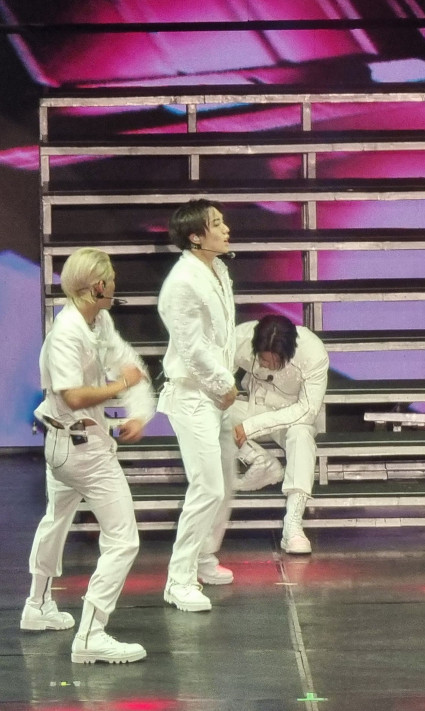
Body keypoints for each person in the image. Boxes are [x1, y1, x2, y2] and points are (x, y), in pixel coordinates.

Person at [24, 247, 153, 664]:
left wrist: (137, 410)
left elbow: (124, 361)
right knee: (123, 540)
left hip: (66, 443)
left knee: (56, 519)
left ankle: (37, 605)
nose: (115, 284)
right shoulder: (67, 332)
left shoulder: (98, 321)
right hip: (81, 449)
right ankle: (91, 635)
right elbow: (75, 396)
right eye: (111, 279)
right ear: (98, 286)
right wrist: (121, 386)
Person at [157, 199, 237, 612]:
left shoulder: (217, 269)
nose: (225, 229)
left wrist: (225, 384)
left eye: (222, 222)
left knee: (223, 484)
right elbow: (191, 347)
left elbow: (220, 336)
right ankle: (179, 579)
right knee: (206, 487)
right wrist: (223, 383)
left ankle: (203, 557)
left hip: (215, 394)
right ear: (194, 236)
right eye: (216, 224)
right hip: (192, 394)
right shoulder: (183, 281)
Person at [230, 315, 329, 554]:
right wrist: (224, 389)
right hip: (253, 405)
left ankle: (293, 526)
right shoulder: (240, 337)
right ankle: (261, 461)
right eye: (263, 359)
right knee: (206, 411)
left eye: (275, 361)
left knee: (302, 436)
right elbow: (215, 377)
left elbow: (307, 410)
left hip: (293, 416)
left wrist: (251, 427)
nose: (267, 365)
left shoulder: (313, 352)